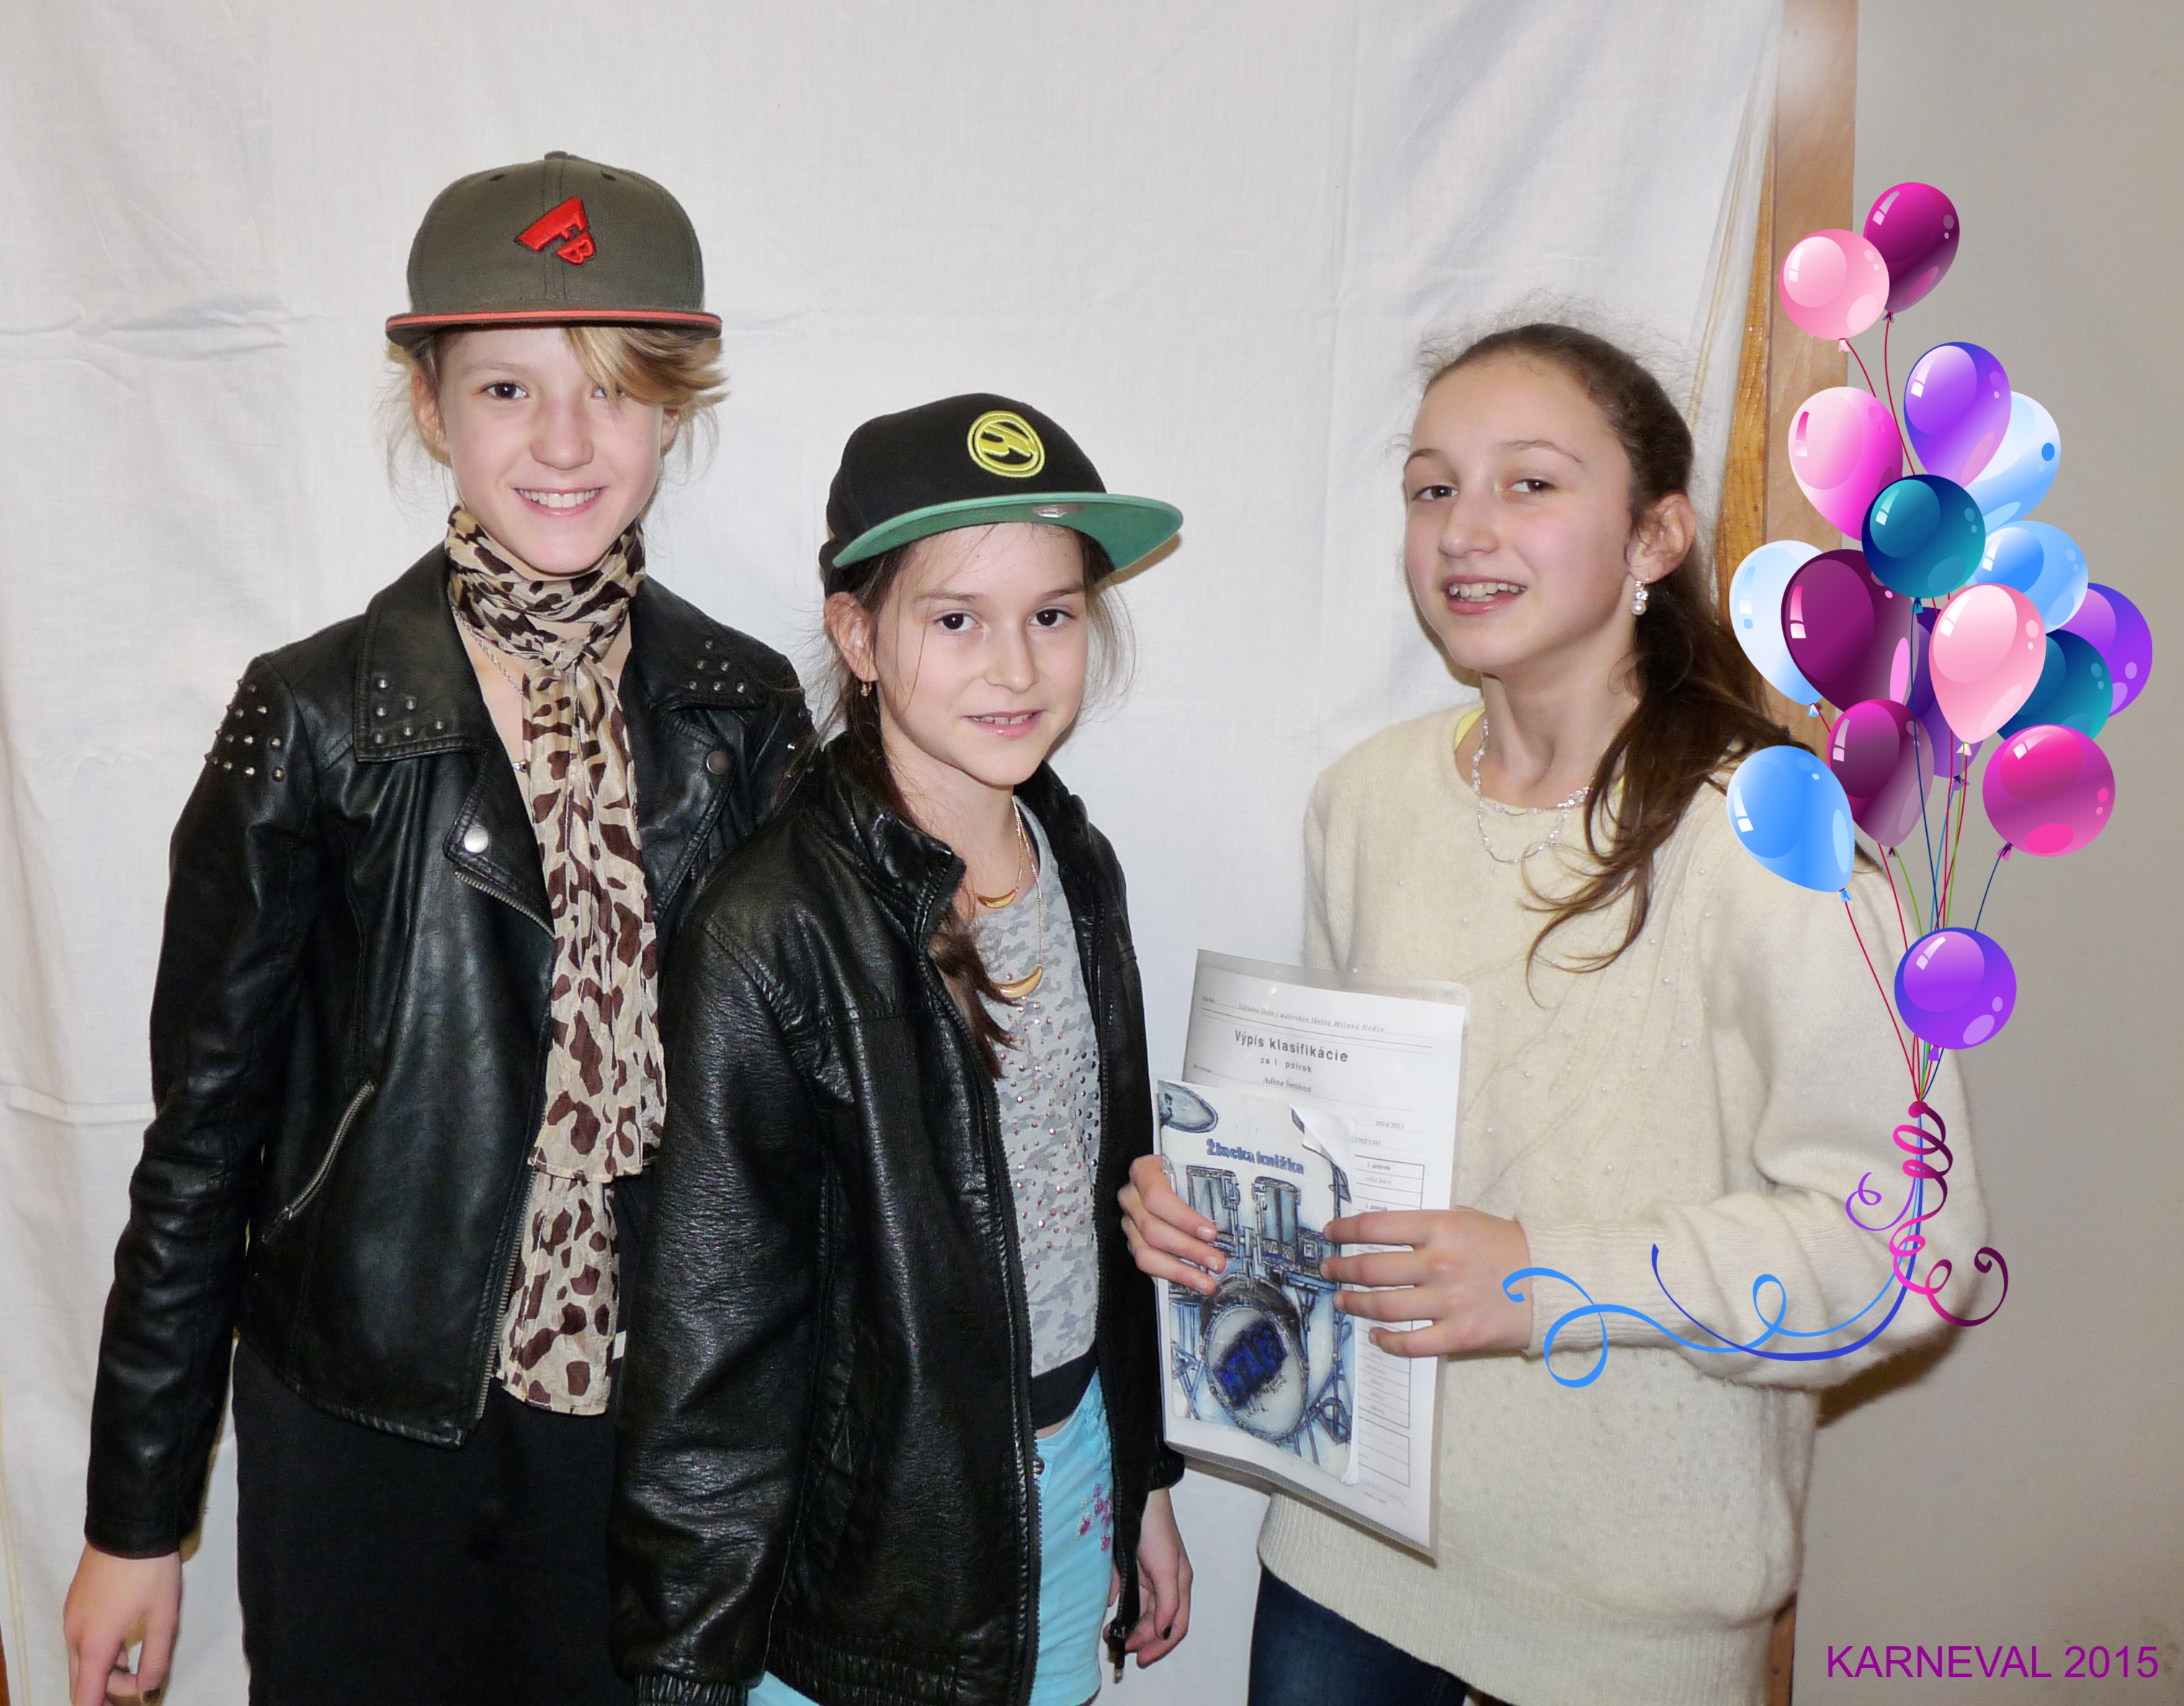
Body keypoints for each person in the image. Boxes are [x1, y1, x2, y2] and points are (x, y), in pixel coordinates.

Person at [1119, 323, 1992, 1706]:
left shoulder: (1775, 842)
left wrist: (1545, 1278)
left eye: (1529, 483)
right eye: (1432, 488)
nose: (1465, 531)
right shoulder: (1367, 802)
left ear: (1655, 537)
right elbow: (1345, 1165)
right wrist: (1218, 1211)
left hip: (1627, 1617)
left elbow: (1913, 1253)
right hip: (1346, 1557)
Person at [61, 152, 811, 1706]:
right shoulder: (312, 713)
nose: (564, 442)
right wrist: (136, 1513)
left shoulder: (742, 708)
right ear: (430, 405)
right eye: (507, 389)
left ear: (673, 410)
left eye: (613, 389)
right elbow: (202, 1137)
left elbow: (804, 1108)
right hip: (363, 1422)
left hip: (655, 1421)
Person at [611, 394, 1193, 1706]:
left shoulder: (1077, 863)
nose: (1016, 668)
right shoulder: (773, 927)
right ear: (858, 636)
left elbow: (1103, 1208)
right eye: (957, 620)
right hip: (874, 1571)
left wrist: (1144, 1477)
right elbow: (708, 1365)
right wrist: (683, 1677)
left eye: (1052, 616)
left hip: (1073, 1487)